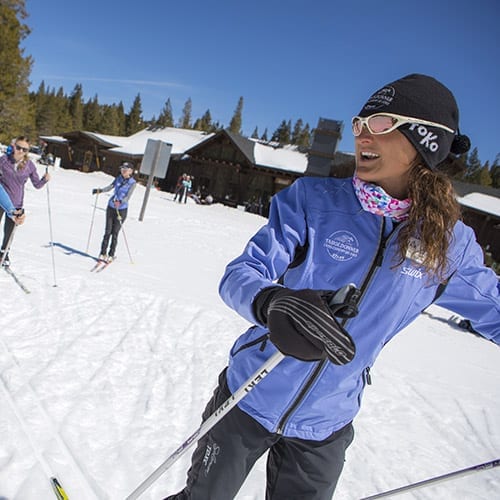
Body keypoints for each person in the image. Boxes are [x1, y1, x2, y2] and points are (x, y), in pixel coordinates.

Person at [165, 74, 499, 500]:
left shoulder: (447, 247)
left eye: (380, 124)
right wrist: (274, 303)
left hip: (326, 423)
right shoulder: (313, 200)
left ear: (426, 142)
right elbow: (241, 273)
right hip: (250, 394)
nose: (361, 134)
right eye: (359, 123)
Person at [0, 136, 49, 266]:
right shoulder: (4, 160)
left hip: (16, 203)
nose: (21, 151)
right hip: (1, 200)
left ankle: (4, 254)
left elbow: (37, 185)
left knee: (9, 232)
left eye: (24, 149)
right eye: (18, 147)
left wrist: (44, 180)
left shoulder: (29, 166)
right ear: (13, 147)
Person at [92, 162, 136, 262]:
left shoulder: (132, 183)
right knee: (107, 231)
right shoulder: (118, 178)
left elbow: (128, 197)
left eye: (126, 169)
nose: (123, 170)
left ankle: (111, 254)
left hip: (121, 210)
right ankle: (102, 253)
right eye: (122, 168)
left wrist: (120, 202)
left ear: (130, 171)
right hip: (111, 207)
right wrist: (100, 190)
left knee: (115, 233)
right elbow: (110, 187)